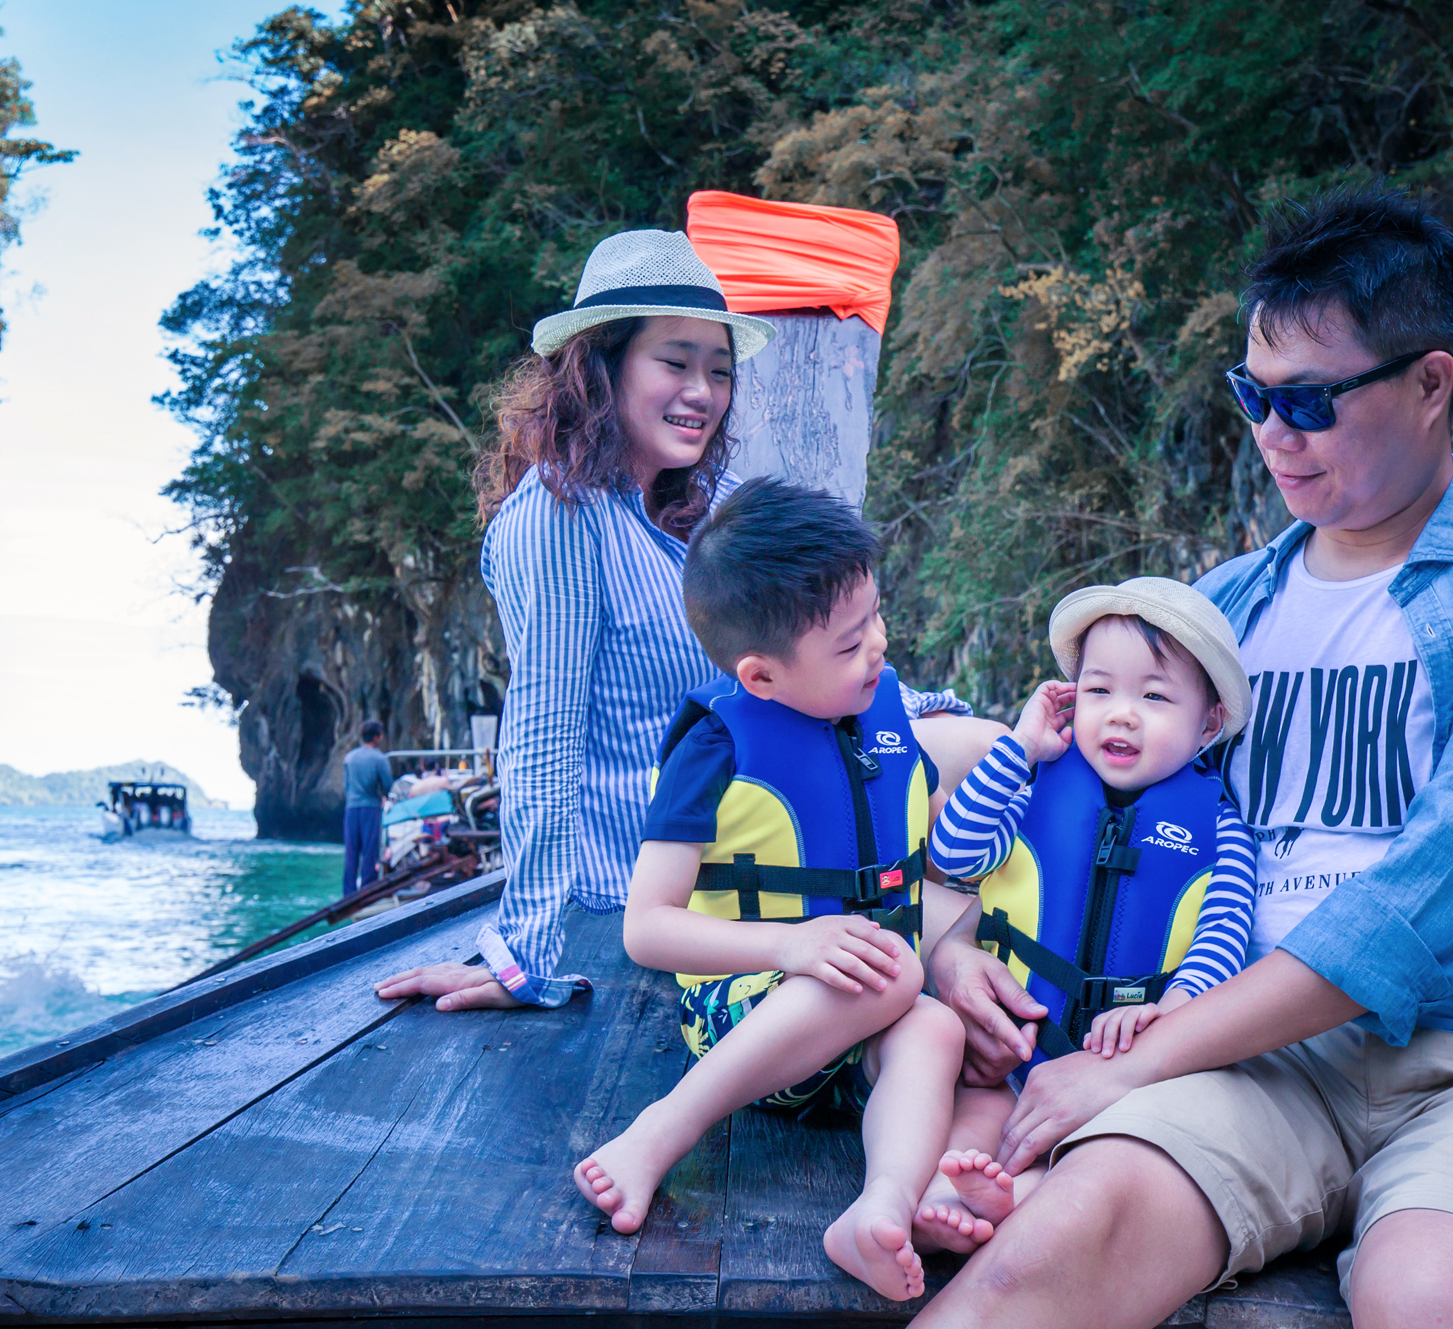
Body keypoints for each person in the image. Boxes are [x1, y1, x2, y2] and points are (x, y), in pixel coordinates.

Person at [915, 187, 1453, 1329]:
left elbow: (1424, 907)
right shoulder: (1213, 617)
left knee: (1432, 1302)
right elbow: (1064, 801)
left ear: (1431, 382)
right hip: (1246, 1057)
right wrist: (952, 945)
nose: (1271, 434)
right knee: (1036, 1262)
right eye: (1253, 395)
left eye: (1307, 401)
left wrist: (1127, 1067)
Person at [371, 231, 1004, 1017]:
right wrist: (524, 952)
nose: (701, 391)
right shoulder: (558, 519)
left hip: (770, 790)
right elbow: (542, 737)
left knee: (991, 757)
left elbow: (798, 658)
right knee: (962, 797)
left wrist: (910, 710)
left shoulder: (709, 502)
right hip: (669, 850)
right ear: (602, 368)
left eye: (720, 370)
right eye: (674, 362)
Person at [575, 478, 964, 1301]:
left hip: (859, 1016)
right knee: (897, 973)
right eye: (851, 645)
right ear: (760, 677)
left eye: (876, 623)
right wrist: (789, 945)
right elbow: (646, 928)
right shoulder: (717, 747)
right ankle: (660, 1133)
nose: (880, 651)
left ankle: (882, 1208)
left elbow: (932, 848)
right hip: (741, 1008)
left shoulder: (879, 713)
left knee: (933, 1027)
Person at [912, 582, 1256, 1256]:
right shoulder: (1036, 791)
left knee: (1110, 1153)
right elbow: (952, 853)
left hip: (1123, 1072)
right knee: (978, 1115)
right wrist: (1018, 749)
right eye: (1099, 692)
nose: (1121, 716)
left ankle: (1017, 1198)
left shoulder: (1220, 829)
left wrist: (1175, 1008)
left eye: (1154, 698)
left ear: (1210, 723)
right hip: (1015, 1055)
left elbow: (1224, 938)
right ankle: (949, 1197)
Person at [341, 720, 395, 897]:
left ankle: (348, 892)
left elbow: (346, 786)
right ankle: (366, 890)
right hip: (370, 808)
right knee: (369, 850)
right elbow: (388, 785)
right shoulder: (379, 759)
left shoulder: (349, 758)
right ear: (377, 737)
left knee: (351, 850)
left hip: (351, 808)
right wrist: (382, 796)